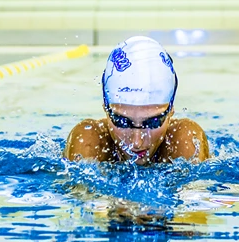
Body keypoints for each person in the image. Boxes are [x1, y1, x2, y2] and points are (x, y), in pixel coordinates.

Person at [64, 36, 210, 164]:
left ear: (171, 110)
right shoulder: (89, 138)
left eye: (153, 122)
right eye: (122, 121)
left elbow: (195, 192)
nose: (137, 142)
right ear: (105, 108)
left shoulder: (184, 138)